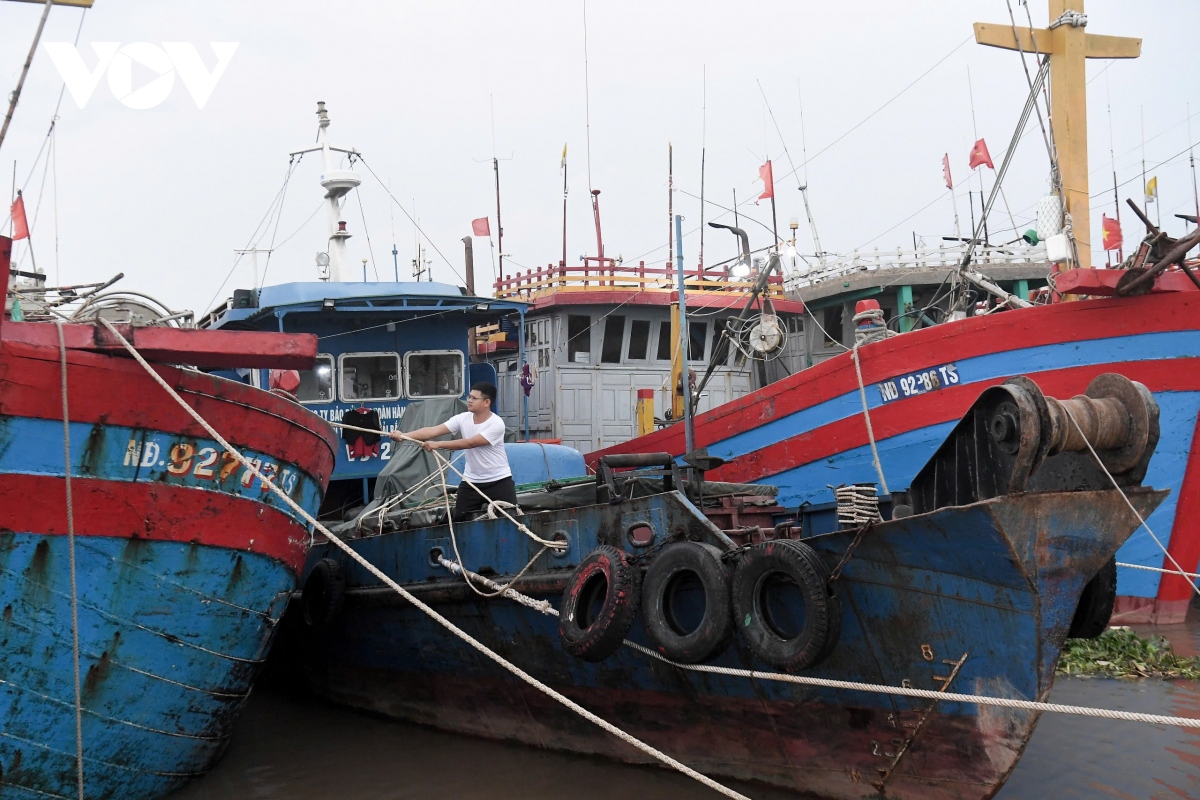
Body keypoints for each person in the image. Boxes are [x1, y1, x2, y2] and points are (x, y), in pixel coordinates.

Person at [390, 381, 516, 521]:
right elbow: (433, 431)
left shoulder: (496, 424)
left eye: (474, 398)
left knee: (511, 520)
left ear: (486, 402)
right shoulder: (462, 418)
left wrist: (438, 445)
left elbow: (470, 443)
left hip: (499, 481)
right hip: (471, 482)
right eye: (469, 397)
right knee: (459, 519)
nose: (469, 400)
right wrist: (403, 436)